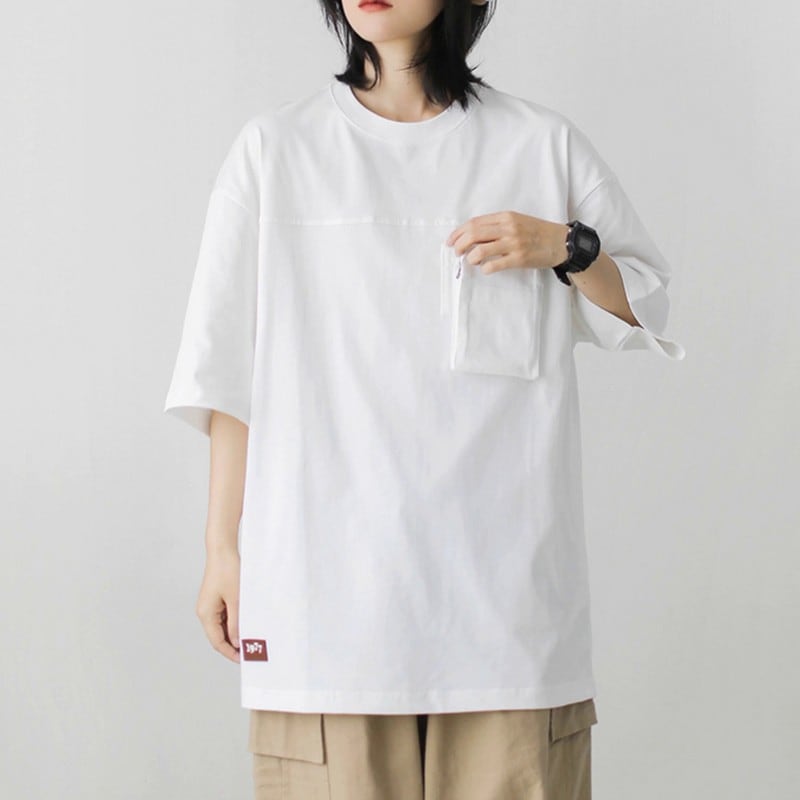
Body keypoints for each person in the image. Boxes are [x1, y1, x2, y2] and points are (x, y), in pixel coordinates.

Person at [163, 1, 686, 797]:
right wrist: (222, 551)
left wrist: (565, 246)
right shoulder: (276, 150)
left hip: (508, 623)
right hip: (324, 610)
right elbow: (230, 373)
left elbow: (647, 306)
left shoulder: (539, 145)